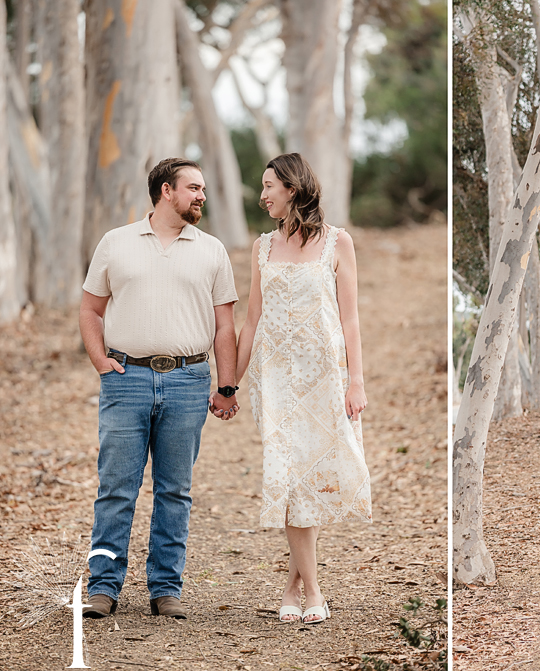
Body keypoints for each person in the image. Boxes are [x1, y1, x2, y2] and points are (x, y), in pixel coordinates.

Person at [79, 158, 240, 619]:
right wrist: (100, 361)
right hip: (126, 380)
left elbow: (224, 326)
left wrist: (226, 386)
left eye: (204, 188)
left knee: (175, 490)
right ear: (166, 191)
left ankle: (166, 588)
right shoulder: (116, 242)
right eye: (193, 188)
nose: (201, 196)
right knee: (116, 489)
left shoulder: (212, 250)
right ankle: (103, 588)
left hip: (189, 381)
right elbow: (90, 310)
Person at [234, 153, 372, 624]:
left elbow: (350, 317)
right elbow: (251, 319)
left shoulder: (338, 242)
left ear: (292, 188)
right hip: (273, 379)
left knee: (311, 477)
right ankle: (313, 589)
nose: (263, 194)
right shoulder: (262, 247)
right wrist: (229, 383)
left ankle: (294, 585)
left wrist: (356, 380)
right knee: (288, 476)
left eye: (269, 185)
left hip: (324, 377)